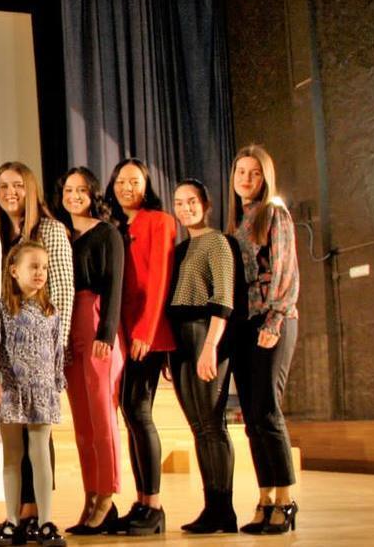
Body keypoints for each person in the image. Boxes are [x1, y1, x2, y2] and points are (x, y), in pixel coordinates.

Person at [0, 162, 73, 534]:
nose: (11, 192)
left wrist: (58, 356)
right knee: (13, 450)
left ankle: (39, 513)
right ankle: (15, 515)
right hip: (9, 368)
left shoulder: (50, 230)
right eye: (4, 185)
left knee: (39, 446)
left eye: (19, 185)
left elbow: (64, 291)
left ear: (32, 189)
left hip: (41, 360)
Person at [227, 145, 300, 535]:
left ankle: (286, 500)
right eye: (241, 172)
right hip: (244, 325)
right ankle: (265, 496)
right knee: (252, 418)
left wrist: (273, 321)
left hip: (274, 319)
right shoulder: (238, 222)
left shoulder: (276, 214)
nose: (247, 179)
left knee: (269, 411)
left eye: (254, 173)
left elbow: (286, 273)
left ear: (265, 177)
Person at [0, 241, 67, 547]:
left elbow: (57, 352)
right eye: (33, 266)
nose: (40, 272)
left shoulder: (51, 311)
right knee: (12, 455)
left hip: (41, 392)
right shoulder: (1, 309)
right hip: (11, 390)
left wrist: (57, 384)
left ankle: (45, 520)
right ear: (14, 271)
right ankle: (12, 520)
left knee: (40, 454)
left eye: (43, 267)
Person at [105, 157, 176, 536]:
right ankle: (142, 500)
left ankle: (155, 505)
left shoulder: (159, 222)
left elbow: (161, 279)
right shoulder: (117, 227)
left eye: (133, 181)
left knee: (140, 412)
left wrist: (145, 332)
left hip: (147, 334)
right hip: (123, 333)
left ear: (146, 186)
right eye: (120, 181)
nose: (125, 187)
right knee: (132, 415)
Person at [55, 167, 125, 535]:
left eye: (82, 190)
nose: (74, 196)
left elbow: (115, 284)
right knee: (82, 424)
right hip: (70, 329)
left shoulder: (106, 233)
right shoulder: (64, 236)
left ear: (93, 194)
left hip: (98, 325)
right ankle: (90, 495)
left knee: (102, 419)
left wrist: (108, 334)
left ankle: (107, 495)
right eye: (69, 190)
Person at [167, 179, 238, 533]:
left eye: (191, 201)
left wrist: (209, 346)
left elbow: (223, 298)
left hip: (205, 334)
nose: (185, 208)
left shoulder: (217, 243)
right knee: (198, 427)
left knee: (212, 424)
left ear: (206, 204)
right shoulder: (180, 248)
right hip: (180, 338)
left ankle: (224, 508)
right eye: (179, 202)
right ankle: (212, 507)